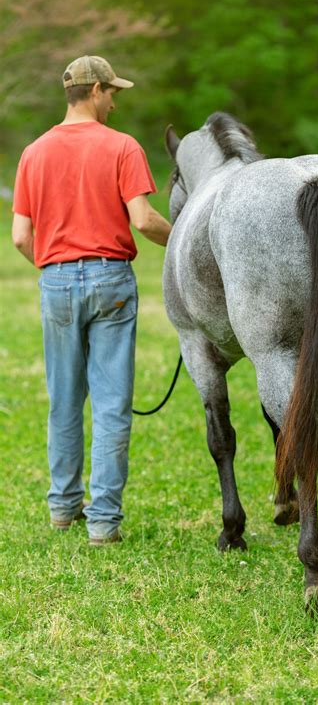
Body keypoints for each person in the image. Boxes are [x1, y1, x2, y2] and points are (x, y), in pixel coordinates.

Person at [12, 55, 172, 546]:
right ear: (96, 90)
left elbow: (21, 236)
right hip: (111, 282)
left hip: (55, 280)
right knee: (110, 405)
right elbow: (143, 220)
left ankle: (63, 508)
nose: (115, 102)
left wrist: (57, 267)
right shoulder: (122, 147)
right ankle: (102, 522)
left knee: (63, 401)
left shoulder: (33, 152)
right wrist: (187, 238)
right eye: (112, 93)